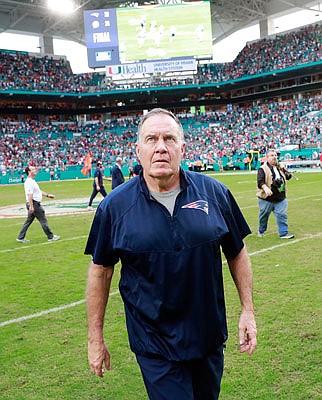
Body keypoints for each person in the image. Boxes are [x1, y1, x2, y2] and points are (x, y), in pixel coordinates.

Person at [85, 108, 257, 400]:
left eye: (169, 138)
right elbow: (101, 271)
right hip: (155, 344)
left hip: (208, 337)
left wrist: (248, 311)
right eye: (151, 139)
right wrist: (95, 339)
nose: (161, 147)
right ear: (139, 150)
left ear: (182, 147)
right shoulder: (114, 207)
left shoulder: (214, 193)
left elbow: (237, 253)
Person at [17, 166, 60, 243]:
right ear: (29, 172)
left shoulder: (32, 181)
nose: (35, 170)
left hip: (33, 204)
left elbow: (38, 191)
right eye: (33, 169)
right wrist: (31, 206)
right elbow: (30, 195)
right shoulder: (29, 182)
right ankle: (50, 236)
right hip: (34, 204)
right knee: (43, 221)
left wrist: (47, 195)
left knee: (28, 221)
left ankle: (20, 237)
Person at [256, 149, 294, 239]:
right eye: (272, 155)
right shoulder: (262, 169)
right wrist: (265, 188)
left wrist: (283, 168)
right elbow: (260, 181)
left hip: (280, 197)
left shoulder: (279, 167)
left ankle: (284, 233)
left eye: (275, 155)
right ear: (267, 158)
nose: (274, 157)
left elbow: (289, 177)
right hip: (267, 199)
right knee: (263, 216)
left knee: (282, 215)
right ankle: (261, 230)